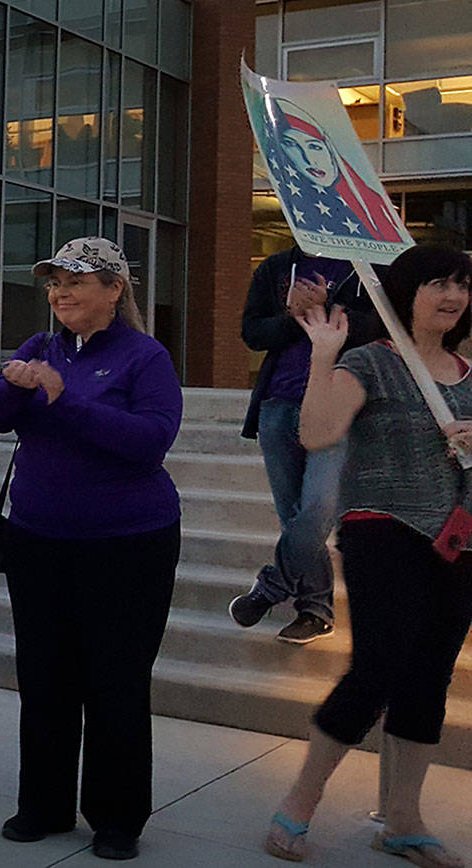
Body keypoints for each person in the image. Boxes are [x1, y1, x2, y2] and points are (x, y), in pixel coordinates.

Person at [263, 245, 472, 867]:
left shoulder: (467, 372)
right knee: (377, 664)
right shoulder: (372, 364)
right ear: (406, 290)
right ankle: (299, 802)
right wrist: (323, 356)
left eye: (462, 285)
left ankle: (403, 819)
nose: (453, 296)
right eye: (439, 282)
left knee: (431, 672)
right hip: (381, 528)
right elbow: (317, 434)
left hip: (458, 538)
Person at [0, 237, 182, 860]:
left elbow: (150, 440)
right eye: (54, 281)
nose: (60, 292)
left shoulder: (144, 356)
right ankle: (43, 804)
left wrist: (64, 402)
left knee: (116, 680)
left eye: (77, 281)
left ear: (115, 291)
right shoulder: (41, 346)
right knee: (43, 677)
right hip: (39, 541)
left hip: (128, 545)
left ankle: (118, 818)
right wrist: (18, 385)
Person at [232, 246, 381, 643]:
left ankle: (270, 587)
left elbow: (382, 331)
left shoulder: (368, 264)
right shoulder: (278, 267)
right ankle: (315, 609)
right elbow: (252, 332)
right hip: (278, 403)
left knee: (318, 506)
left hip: (339, 403)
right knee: (292, 513)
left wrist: (327, 306)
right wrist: (293, 315)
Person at [263, 97, 405, 244]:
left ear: (331, 152)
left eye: (314, 147)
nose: (309, 159)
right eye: (291, 145)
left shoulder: (368, 203)